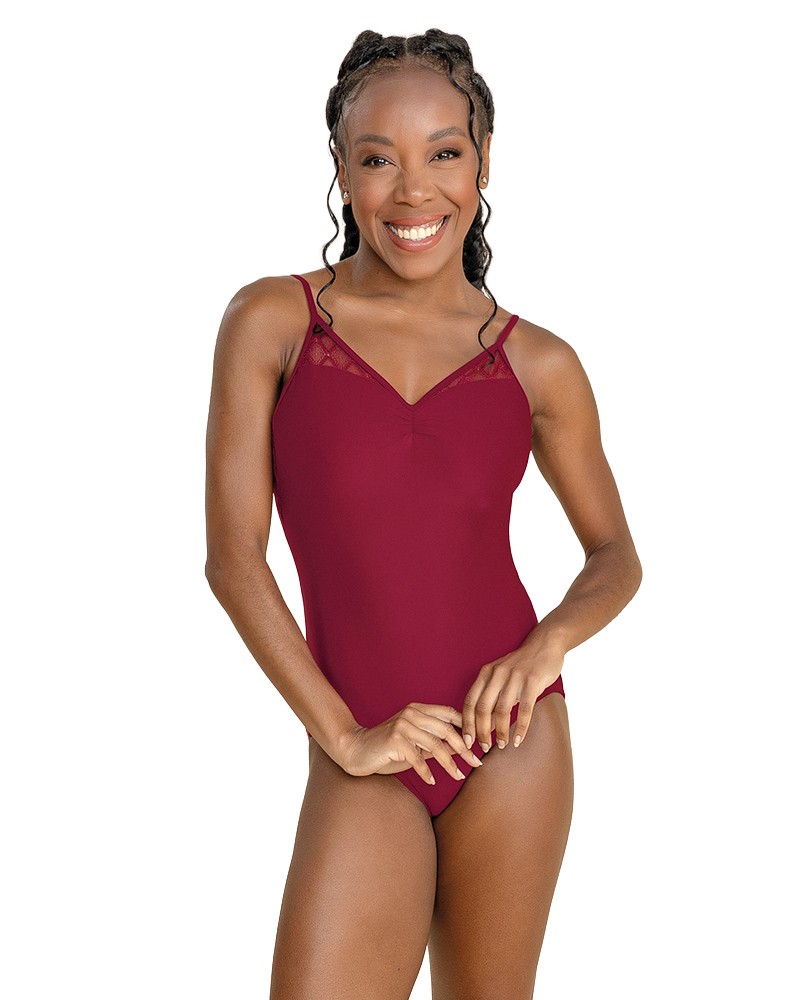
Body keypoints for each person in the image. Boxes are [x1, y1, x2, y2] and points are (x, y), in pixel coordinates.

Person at [204, 27, 642, 999]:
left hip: (511, 739)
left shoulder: (537, 362)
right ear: (339, 168)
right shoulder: (272, 323)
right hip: (362, 744)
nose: (413, 192)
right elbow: (232, 558)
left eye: (444, 153)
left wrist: (546, 647)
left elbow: (614, 552)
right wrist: (344, 737)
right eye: (378, 160)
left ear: (483, 161)